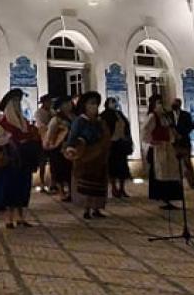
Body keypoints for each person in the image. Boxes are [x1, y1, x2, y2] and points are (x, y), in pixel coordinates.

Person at [0, 89, 42, 228]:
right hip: (11, 162)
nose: (17, 105)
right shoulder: (4, 124)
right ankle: (9, 218)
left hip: (24, 161)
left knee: (23, 189)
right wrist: (8, 139)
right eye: (14, 102)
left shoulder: (24, 121)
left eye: (18, 102)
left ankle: (21, 217)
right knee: (10, 190)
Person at [65, 91, 111, 219]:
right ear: (85, 106)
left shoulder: (99, 122)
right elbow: (72, 137)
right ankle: (86, 208)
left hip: (99, 158)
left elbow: (105, 137)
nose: (94, 106)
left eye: (96, 104)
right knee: (86, 184)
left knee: (99, 184)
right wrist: (72, 149)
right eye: (91, 104)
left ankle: (97, 208)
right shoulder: (80, 121)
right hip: (85, 157)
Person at [143, 94, 183, 209]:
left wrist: (175, 137)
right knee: (161, 171)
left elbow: (170, 129)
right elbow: (145, 130)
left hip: (168, 147)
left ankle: (171, 197)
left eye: (161, 102)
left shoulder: (166, 116)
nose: (160, 105)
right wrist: (151, 141)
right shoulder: (152, 116)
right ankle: (163, 198)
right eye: (158, 103)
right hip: (159, 148)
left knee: (171, 171)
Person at [101, 97, 133, 198]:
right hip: (112, 144)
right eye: (112, 102)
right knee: (112, 167)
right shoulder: (104, 115)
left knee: (122, 166)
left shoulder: (120, 114)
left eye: (115, 102)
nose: (114, 104)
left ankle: (122, 188)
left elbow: (126, 126)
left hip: (121, 143)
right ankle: (114, 187)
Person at [44, 96, 74, 201]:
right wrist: (52, 144)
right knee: (59, 170)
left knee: (70, 170)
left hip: (70, 147)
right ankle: (61, 191)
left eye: (69, 103)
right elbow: (50, 134)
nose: (68, 105)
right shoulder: (56, 119)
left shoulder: (73, 117)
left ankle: (71, 191)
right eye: (66, 104)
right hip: (58, 148)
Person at [169, 98, 194, 188]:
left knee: (187, 163)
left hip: (184, 142)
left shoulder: (186, 115)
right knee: (174, 165)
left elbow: (190, 126)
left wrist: (182, 134)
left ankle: (191, 183)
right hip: (173, 143)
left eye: (176, 103)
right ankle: (176, 183)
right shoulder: (168, 115)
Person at [34, 94, 54, 192]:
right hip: (42, 139)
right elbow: (40, 125)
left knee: (53, 162)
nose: (50, 104)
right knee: (42, 162)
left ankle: (52, 183)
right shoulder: (39, 113)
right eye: (48, 102)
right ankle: (42, 182)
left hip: (52, 139)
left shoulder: (52, 112)